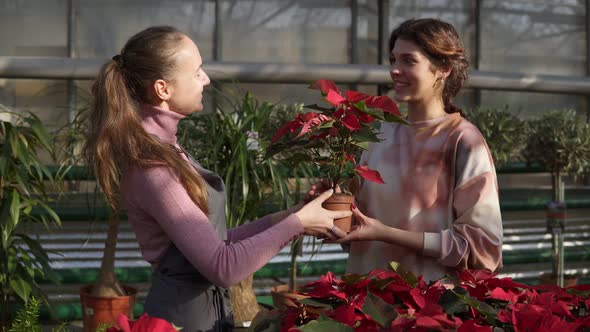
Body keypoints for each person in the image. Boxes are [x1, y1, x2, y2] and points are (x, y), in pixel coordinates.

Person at [84, 26, 349, 332]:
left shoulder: (166, 149)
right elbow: (224, 267)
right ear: (163, 89)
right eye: (196, 71)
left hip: (202, 314)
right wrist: (299, 223)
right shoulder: (153, 167)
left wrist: (293, 215)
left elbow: (217, 243)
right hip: (182, 322)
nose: (206, 79)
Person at [329, 18, 503, 283]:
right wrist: (332, 208)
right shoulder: (378, 134)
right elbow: (357, 230)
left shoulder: (463, 140)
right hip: (365, 305)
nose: (395, 70)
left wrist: (385, 232)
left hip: (428, 309)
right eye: (393, 60)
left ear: (443, 68)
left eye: (408, 61)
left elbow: (484, 250)